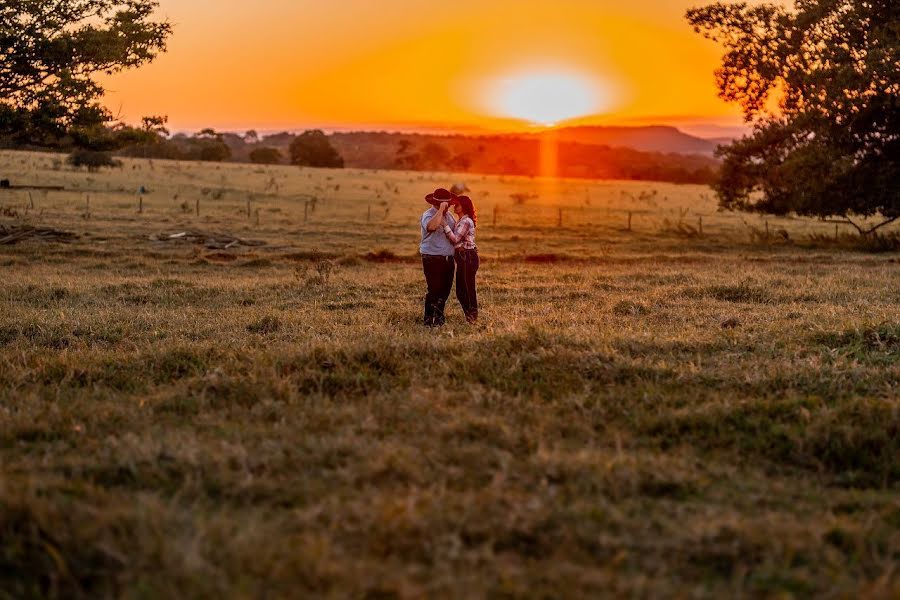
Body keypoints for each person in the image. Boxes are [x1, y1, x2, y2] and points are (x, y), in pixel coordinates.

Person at [420, 188, 457, 327]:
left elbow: (454, 234)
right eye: (446, 204)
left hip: (448, 259)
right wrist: (440, 211)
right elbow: (431, 227)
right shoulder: (428, 215)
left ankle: (439, 319)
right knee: (434, 290)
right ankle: (428, 320)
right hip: (432, 259)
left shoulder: (450, 217)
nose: (448, 206)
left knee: (445, 291)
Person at [443, 195, 479, 323]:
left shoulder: (465, 221)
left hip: (467, 256)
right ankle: (470, 316)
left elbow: (455, 239)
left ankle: (472, 317)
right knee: (462, 289)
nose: (454, 207)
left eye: (457, 205)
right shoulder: (461, 220)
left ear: (464, 206)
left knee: (466, 289)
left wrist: (444, 225)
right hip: (464, 256)